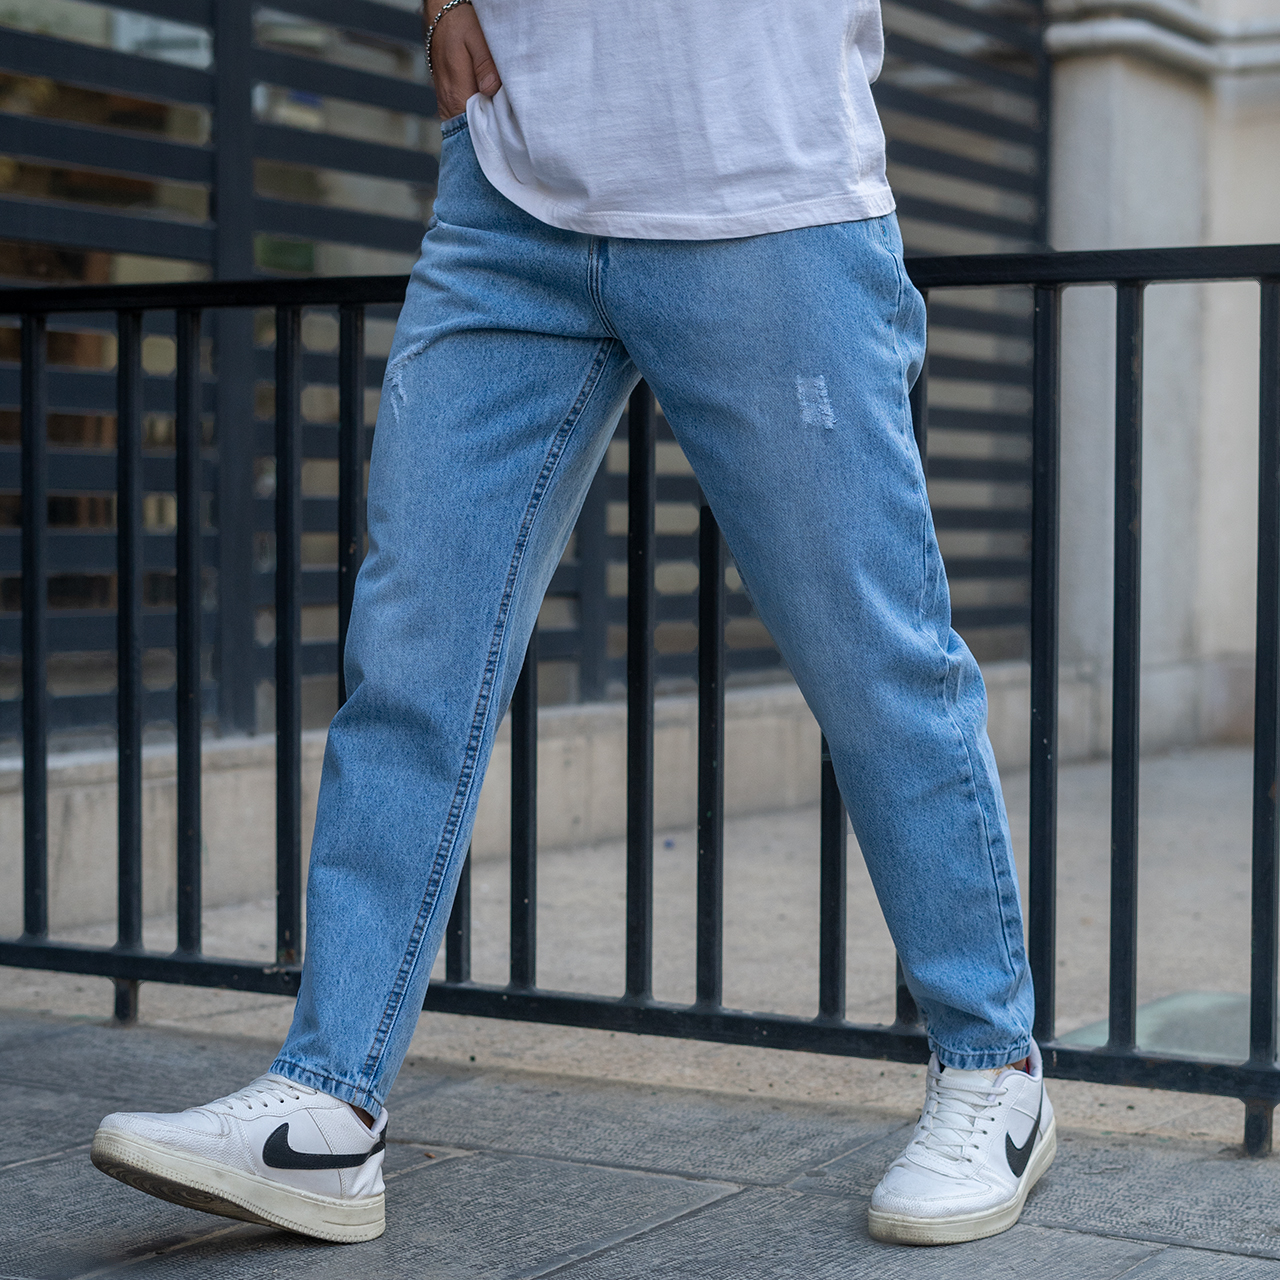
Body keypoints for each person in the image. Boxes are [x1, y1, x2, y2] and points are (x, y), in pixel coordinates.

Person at [89, 0, 1054, 1248]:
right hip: (511, 190)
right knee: (411, 660)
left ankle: (991, 1067)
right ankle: (328, 1100)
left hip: (763, 190)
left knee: (871, 656)